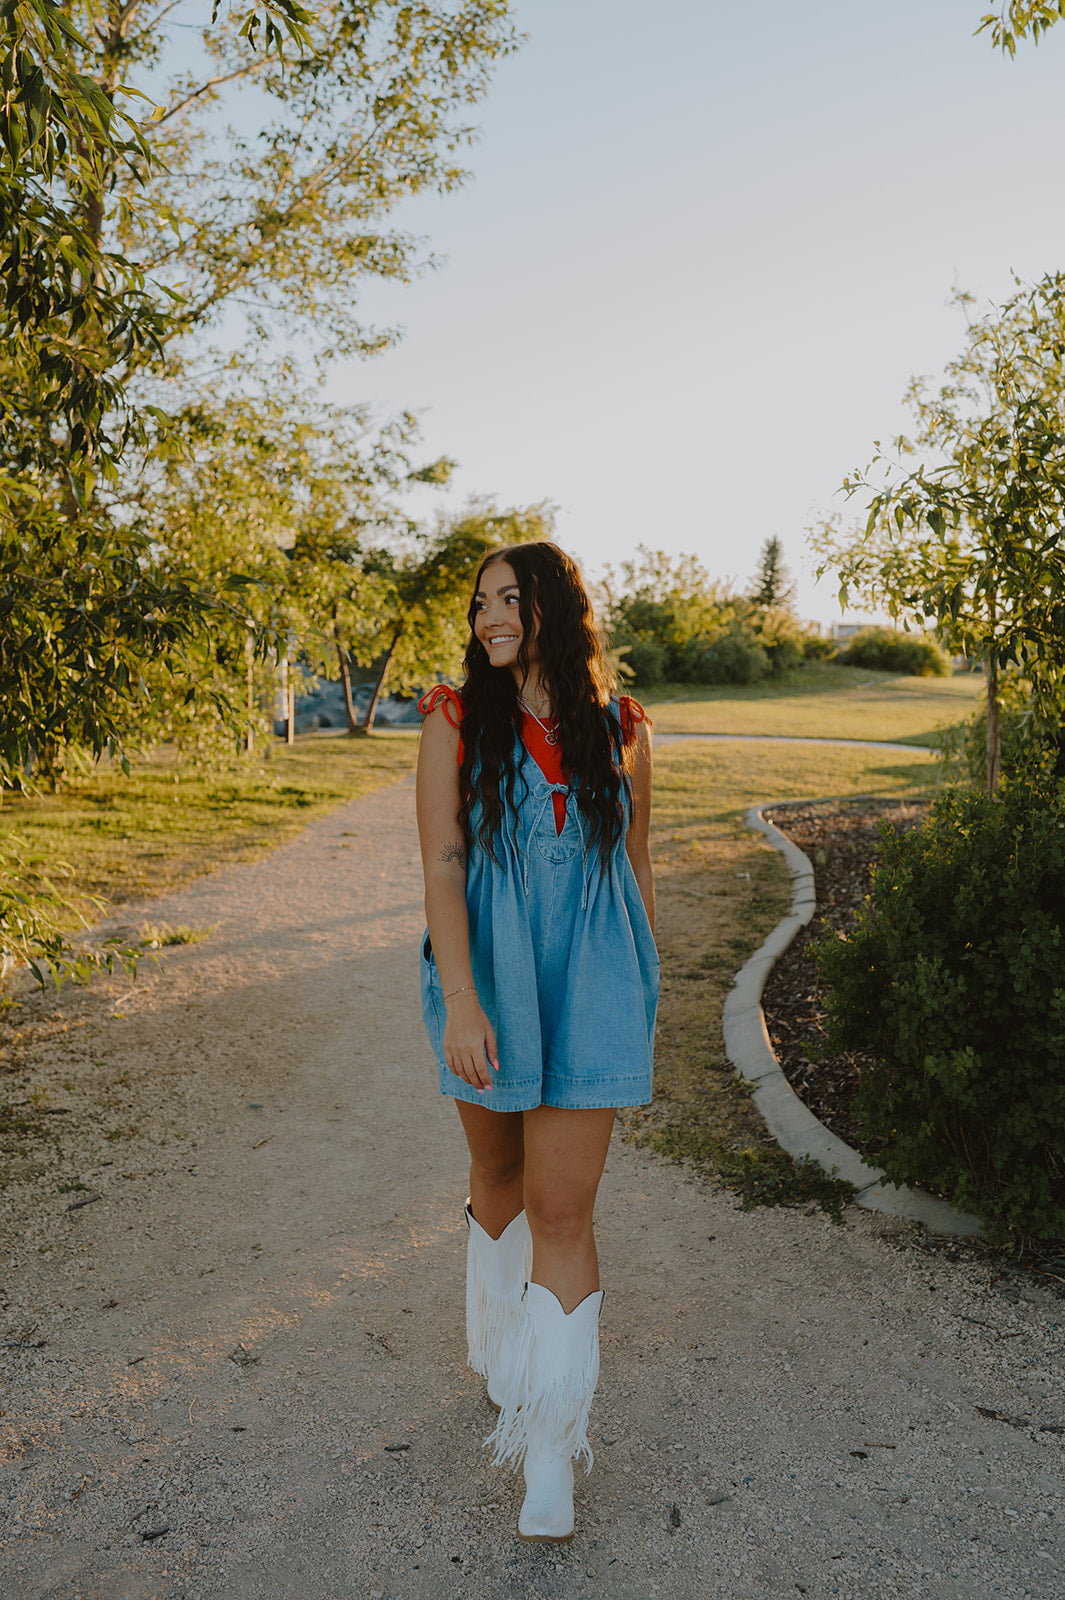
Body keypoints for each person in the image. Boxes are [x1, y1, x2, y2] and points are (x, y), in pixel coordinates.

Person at [415, 540, 658, 1543]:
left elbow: (638, 872)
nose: (488, 617)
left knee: (566, 1208)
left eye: (509, 599)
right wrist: (465, 1002)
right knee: (498, 1169)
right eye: (480, 603)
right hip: (492, 978)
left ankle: (549, 1444)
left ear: (556, 607)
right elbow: (441, 863)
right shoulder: (455, 719)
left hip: (594, 979)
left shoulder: (625, 728)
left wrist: (639, 999)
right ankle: (501, 1349)